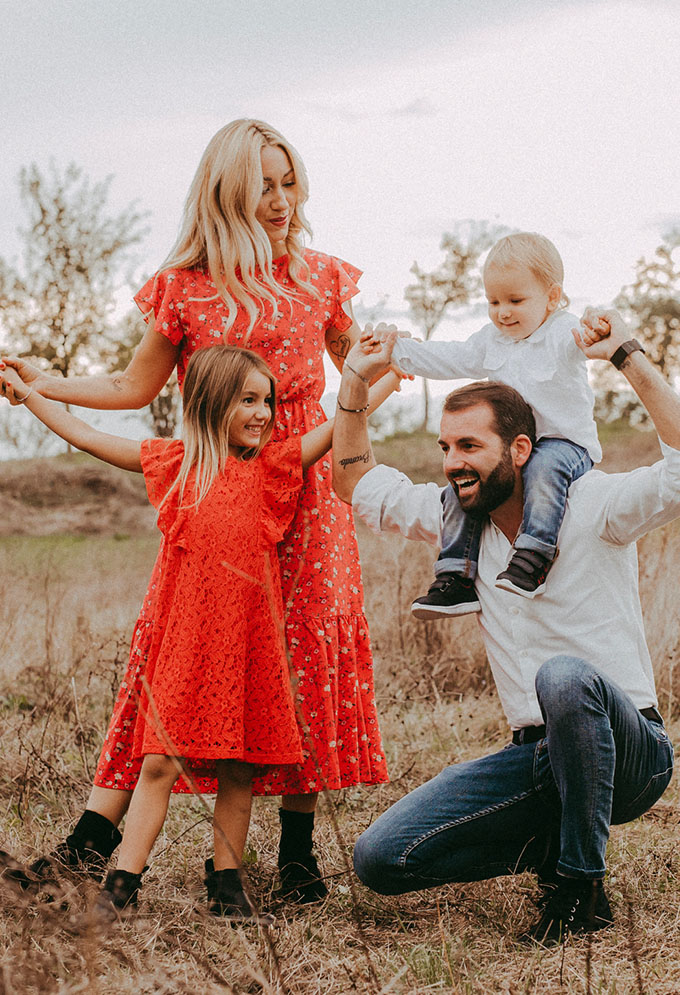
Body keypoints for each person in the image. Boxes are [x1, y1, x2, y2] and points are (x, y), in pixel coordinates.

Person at [0, 118, 390, 903]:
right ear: (226, 193)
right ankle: (93, 840)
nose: (281, 201)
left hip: (307, 491)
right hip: (213, 494)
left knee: (299, 654)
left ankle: (297, 851)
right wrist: (46, 384)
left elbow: (365, 371)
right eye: (264, 187)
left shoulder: (318, 278)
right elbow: (133, 388)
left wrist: (407, 363)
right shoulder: (185, 287)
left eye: (290, 183)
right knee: (173, 655)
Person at [0, 344, 396, 920]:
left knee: (240, 768)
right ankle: (119, 888)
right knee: (159, 762)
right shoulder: (175, 464)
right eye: (249, 400)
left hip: (252, 644)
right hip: (188, 641)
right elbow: (85, 436)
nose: (265, 413)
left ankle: (227, 888)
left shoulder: (275, 465)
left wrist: (384, 376)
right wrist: (28, 393)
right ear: (211, 402)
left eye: (269, 400)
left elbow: (343, 420)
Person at [330, 313, 677, 945]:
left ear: (521, 450)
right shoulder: (456, 526)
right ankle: (555, 844)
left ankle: (578, 886)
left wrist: (627, 355)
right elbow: (352, 482)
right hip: (537, 757)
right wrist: (355, 382)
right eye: (446, 448)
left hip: (631, 754)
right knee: (381, 859)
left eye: (470, 447)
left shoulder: (594, 505)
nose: (453, 463)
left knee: (565, 676)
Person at [387, 233, 600, 619]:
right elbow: (449, 358)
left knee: (543, 466)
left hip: (564, 447)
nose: (502, 312)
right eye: (493, 301)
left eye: (515, 301)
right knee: (467, 478)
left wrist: (597, 331)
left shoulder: (560, 332)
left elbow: (584, 341)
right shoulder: (492, 340)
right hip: (513, 449)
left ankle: (533, 558)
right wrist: (396, 351)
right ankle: (456, 577)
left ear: (552, 298)